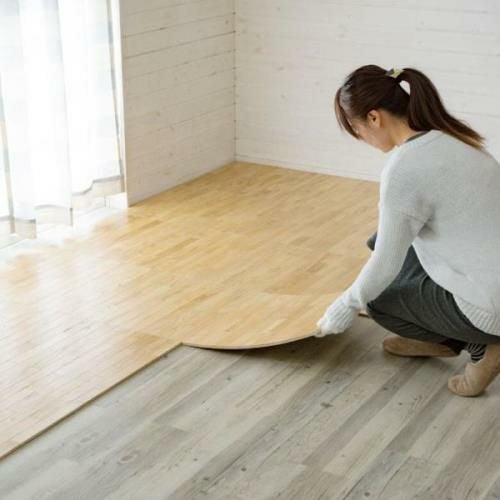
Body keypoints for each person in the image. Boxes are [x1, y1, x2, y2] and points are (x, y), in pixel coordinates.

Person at [314, 65, 500, 397]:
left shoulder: (405, 170)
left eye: (357, 129)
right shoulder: (457, 137)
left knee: (378, 299)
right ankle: (439, 339)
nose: (362, 139)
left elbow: (384, 265)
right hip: (490, 272)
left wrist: (346, 305)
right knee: (380, 241)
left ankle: (481, 347)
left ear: (374, 118)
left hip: (492, 307)